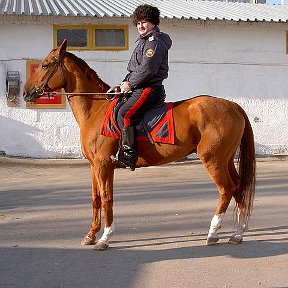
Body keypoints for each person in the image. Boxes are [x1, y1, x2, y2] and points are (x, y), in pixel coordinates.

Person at [111, 4, 172, 171]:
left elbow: (148, 69)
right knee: (117, 107)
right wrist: (123, 83)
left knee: (125, 113)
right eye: (138, 23)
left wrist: (130, 84)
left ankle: (130, 156)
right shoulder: (142, 42)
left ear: (152, 23)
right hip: (139, 86)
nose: (141, 26)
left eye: (144, 22)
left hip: (149, 89)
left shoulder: (154, 42)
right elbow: (134, 69)